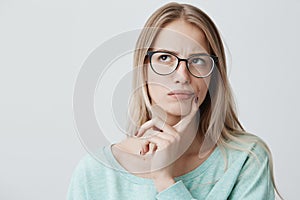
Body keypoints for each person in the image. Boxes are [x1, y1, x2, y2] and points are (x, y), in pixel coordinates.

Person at [67, 2, 283, 199]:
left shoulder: (246, 159)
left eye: (197, 60)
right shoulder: (95, 172)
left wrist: (165, 181)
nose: (182, 75)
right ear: (143, 68)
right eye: (164, 57)